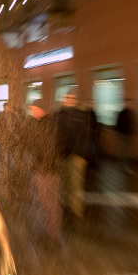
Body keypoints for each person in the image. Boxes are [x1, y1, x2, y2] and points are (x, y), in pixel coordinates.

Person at [26, 99, 63, 245]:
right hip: (44, 169)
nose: (32, 111)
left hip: (46, 171)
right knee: (47, 202)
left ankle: (53, 235)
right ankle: (51, 231)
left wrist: (44, 169)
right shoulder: (44, 123)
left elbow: (49, 150)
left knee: (50, 202)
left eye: (34, 108)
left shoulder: (47, 125)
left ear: (41, 109)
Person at [57, 87, 92, 217]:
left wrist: (82, 152)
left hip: (77, 154)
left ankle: (77, 210)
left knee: (76, 183)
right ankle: (67, 205)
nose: (70, 100)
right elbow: (57, 133)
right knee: (65, 181)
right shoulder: (61, 114)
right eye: (68, 97)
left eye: (72, 98)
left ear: (76, 100)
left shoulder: (81, 115)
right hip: (63, 153)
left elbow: (86, 135)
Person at [116, 98, 136, 174]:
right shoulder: (123, 113)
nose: (128, 104)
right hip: (123, 135)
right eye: (127, 103)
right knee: (125, 151)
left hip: (127, 135)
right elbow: (118, 125)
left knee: (125, 151)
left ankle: (122, 164)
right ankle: (123, 165)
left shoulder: (129, 113)